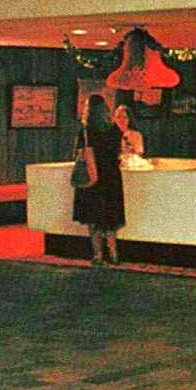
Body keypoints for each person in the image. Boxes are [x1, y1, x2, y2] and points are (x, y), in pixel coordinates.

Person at [72, 93, 126, 265]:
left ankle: (98, 256)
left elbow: (79, 154)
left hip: (93, 175)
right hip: (111, 176)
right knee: (110, 219)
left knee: (93, 218)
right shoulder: (115, 129)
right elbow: (120, 152)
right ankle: (114, 254)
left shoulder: (85, 132)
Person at [113, 102, 151, 169]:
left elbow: (139, 155)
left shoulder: (135, 135)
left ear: (129, 119)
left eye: (125, 117)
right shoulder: (110, 134)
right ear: (114, 119)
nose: (122, 120)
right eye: (118, 117)